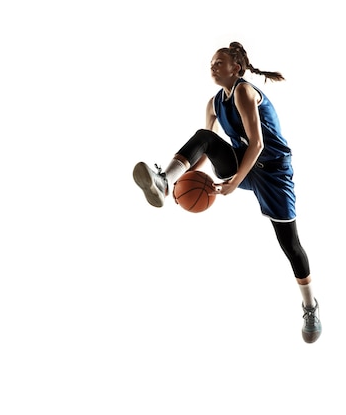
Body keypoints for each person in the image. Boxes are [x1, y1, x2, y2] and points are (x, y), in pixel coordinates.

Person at [133, 42, 322, 343]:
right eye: (211, 61)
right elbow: (205, 148)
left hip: (272, 171)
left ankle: (310, 306)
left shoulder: (245, 92)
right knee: (205, 135)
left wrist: (233, 183)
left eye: (219, 61)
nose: (213, 65)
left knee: (291, 246)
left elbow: (258, 144)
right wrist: (194, 178)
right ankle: (164, 182)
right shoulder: (213, 103)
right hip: (240, 163)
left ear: (236, 68)